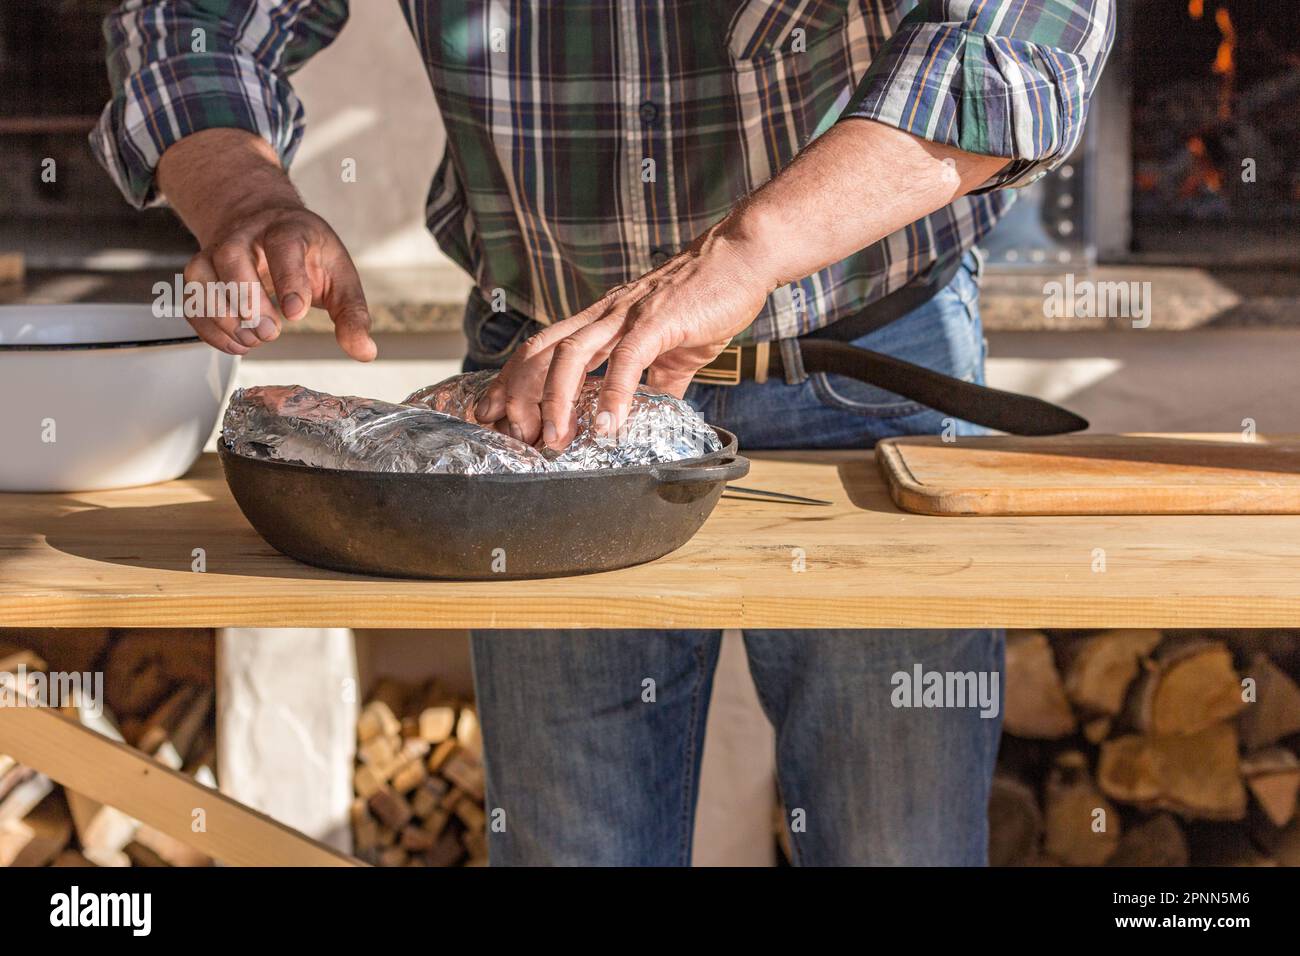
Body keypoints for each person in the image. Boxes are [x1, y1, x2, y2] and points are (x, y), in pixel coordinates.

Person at [94, 0, 1114, 865]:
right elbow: (186, 19)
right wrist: (245, 195)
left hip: (866, 367)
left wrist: (746, 254)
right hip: (541, 403)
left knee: (904, 841)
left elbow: (1022, 38)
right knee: (572, 844)